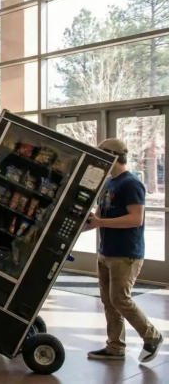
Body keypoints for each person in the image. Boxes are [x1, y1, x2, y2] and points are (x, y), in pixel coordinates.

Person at [85, 139, 163, 362]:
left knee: (120, 299)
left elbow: (135, 219)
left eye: (102, 156)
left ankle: (152, 336)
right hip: (106, 251)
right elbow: (97, 219)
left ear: (112, 156)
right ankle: (115, 347)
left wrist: (99, 223)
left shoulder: (130, 183)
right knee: (109, 302)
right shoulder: (109, 183)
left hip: (125, 253)